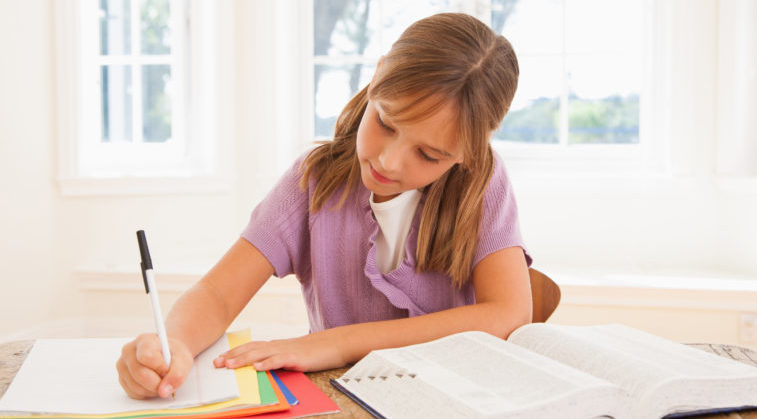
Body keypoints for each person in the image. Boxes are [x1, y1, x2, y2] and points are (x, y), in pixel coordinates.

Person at [116, 12, 532, 400]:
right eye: (385, 123)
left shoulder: (482, 184)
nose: (389, 161)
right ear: (378, 74)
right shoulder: (315, 183)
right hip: (341, 398)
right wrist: (176, 344)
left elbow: (509, 314)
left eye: (428, 155)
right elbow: (217, 294)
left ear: (471, 151)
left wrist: (335, 342)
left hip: (450, 398)